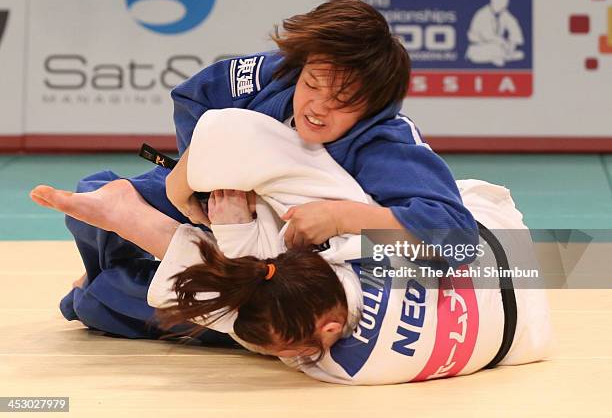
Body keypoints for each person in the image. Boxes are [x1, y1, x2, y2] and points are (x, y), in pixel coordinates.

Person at [34, 0, 480, 342]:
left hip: (288, 256)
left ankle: (104, 289)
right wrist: (203, 183)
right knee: (93, 194)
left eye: (342, 102)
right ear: (302, 65)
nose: (318, 108)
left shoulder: (387, 142)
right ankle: (113, 268)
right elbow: (197, 97)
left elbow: (457, 236)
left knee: (229, 317)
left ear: (373, 106)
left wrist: (342, 216)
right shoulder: (276, 74)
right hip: (223, 207)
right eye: (312, 85)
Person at [30, 107, 554, 385]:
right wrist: (345, 214)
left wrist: (231, 225)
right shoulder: (352, 340)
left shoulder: (348, 356)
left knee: (216, 307)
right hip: (492, 247)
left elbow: (245, 293)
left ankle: (106, 257)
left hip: (516, 275)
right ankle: (97, 280)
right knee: (145, 296)